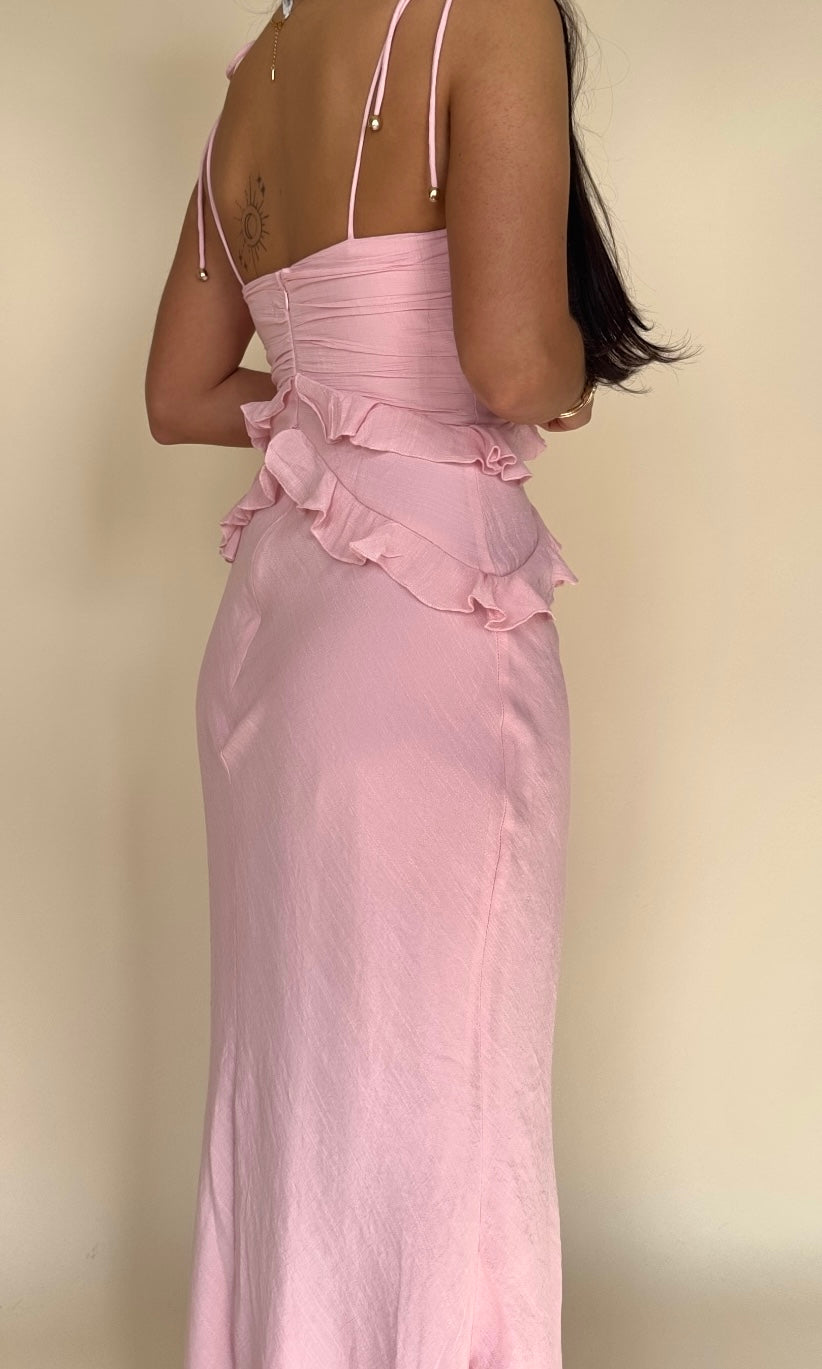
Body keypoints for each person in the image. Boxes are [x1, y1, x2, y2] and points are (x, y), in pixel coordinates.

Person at [144, 2, 694, 1365]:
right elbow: (509, 362)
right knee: (447, 1094)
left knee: (304, 1084)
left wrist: (330, 404)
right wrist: (570, 374)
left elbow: (178, 393)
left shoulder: (265, 66)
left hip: (274, 630)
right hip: (425, 619)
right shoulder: (484, 14)